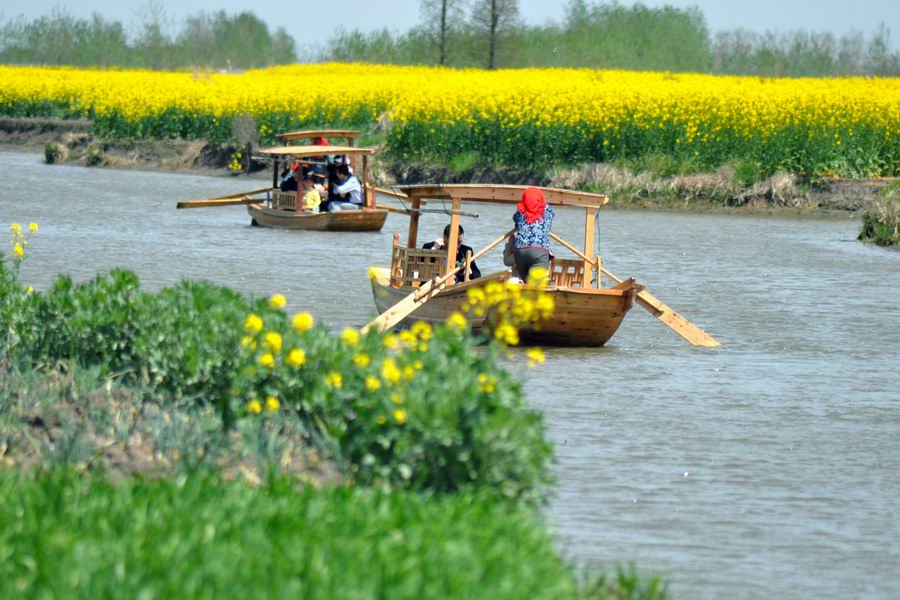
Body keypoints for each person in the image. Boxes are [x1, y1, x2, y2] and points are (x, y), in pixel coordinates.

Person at [512, 187, 555, 282]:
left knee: (527, 283)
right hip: (539, 250)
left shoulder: (520, 212)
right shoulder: (547, 211)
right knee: (538, 286)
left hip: (520, 251)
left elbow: (515, 221)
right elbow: (551, 217)